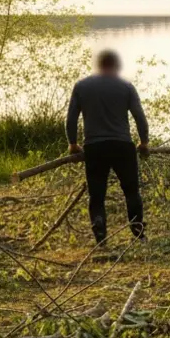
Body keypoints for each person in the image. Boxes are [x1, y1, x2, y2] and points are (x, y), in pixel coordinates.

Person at [67, 49, 150, 245]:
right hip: (122, 146)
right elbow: (139, 116)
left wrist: (72, 144)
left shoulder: (82, 86)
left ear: (99, 65)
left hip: (94, 147)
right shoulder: (126, 87)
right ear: (116, 65)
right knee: (131, 190)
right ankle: (138, 233)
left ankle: (100, 233)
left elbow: (71, 119)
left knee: (97, 193)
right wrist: (144, 142)